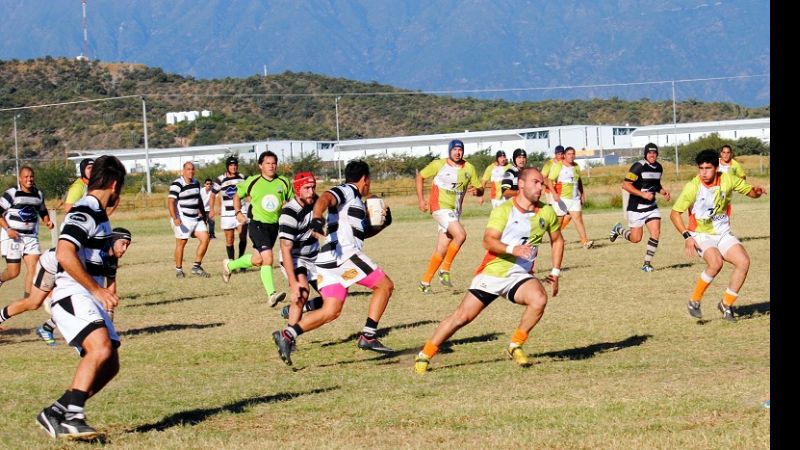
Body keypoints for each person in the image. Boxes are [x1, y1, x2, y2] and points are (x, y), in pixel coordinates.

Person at [414, 167, 564, 374]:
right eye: (536, 182)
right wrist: (514, 249)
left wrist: (555, 272)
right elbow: (488, 241)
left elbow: (557, 240)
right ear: (521, 184)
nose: (541, 186)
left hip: (519, 276)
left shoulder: (546, 212)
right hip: (492, 273)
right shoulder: (504, 210)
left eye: (542, 183)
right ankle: (425, 355)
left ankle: (515, 345)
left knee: (538, 299)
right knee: (462, 317)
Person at [36, 155, 127, 439]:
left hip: (88, 296)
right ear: (114, 184)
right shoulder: (84, 210)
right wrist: (97, 289)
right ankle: (74, 417)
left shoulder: (99, 215)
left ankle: (58, 411)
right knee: (99, 349)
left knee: (110, 363)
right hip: (73, 294)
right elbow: (64, 252)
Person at [271, 160, 395, 366]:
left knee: (331, 310)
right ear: (365, 179)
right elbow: (327, 197)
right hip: (344, 255)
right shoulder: (347, 190)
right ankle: (368, 336)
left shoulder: (353, 203)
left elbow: (362, 234)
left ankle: (287, 335)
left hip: (327, 261)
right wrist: (317, 217)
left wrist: (383, 225)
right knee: (385, 286)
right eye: (369, 181)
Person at [670, 149, 767, 322]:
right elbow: (675, 213)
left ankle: (726, 304)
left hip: (722, 233)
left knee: (743, 262)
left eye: (708, 168)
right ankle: (694, 301)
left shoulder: (727, 179)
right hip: (700, 234)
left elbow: (749, 191)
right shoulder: (693, 186)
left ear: (716, 168)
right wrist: (687, 237)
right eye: (701, 168)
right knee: (716, 263)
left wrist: (756, 192)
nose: (704, 172)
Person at [0, 228, 133, 346]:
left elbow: (110, 290)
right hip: (52, 262)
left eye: (128, 245)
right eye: (123, 244)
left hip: (70, 270)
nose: (125, 249)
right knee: (33, 302)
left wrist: (109, 319)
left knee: (83, 302)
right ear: (113, 241)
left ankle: (47, 327)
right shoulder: (95, 249)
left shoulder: (111, 260)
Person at [222, 151, 293, 306]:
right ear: (260, 165)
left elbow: (290, 201)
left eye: (274, 163)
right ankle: (271, 294)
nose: (271, 166)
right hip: (257, 224)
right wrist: (238, 212)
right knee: (268, 258)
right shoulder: (252, 181)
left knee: (258, 260)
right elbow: (236, 195)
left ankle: (230, 265)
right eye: (267, 163)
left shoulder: (284, 182)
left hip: (274, 226)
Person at [415, 139, 483, 292]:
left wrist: (477, 191)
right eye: (455, 150)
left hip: (454, 212)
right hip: (439, 207)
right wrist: (421, 200)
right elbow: (420, 177)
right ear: (449, 151)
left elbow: (479, 188)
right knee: (460, 235)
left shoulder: (469, 168)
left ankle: (424, 283)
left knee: (442, 248)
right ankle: (445, 269)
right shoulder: (438, 164)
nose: (457, 152)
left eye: (460, 150)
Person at [609, 143, 671, 272]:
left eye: (654, 153)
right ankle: (618, 229)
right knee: (636, 238)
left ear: (657, 154)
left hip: (651, 207)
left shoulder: (659, 167)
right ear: (645, 154)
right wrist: (642, 194)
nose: (652, 155)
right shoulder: (638, 166)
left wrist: (663, 191)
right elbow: (626, 185)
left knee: (656, 232)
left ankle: (646, 264)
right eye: (649, 153)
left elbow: (655, 184)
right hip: (636, 208)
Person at [276, 172, 324, 324]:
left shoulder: (316, 201)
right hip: (295, 258)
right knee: (302, 292)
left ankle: (296, 309)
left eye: (313, 187)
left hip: (315, 257)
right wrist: (293, 283)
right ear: (297, 189)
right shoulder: (289, 212)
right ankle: (288, 337)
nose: (311, 192)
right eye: (307, 188)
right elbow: (285, 249)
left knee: (333, 298)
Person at [0, 166, 55, 296]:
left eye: (31, 176)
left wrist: (47, 221)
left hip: (31, 237)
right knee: (14, 272)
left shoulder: (38, 194)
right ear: (20, 178)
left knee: (34, 269)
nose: (29, 179)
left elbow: (42, 210)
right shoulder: (11, 193)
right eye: (26, 177)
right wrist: (8, 229)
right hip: (13, 236)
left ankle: (28, 299)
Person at [168, 161, 211, 278]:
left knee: (205, 238)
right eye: (188, 169)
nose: (190, 171)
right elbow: (170, 202)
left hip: (195, 218)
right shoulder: (177, 184)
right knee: (182, 243)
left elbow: (199, 200)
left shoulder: (196, 183)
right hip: (182, 218)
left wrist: (203, 214)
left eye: (192, 169)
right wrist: (175, 218)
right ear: (183, 171)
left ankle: (196, 267)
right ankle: (178, 270)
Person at [545, 146, 594, 249]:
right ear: (565, 155)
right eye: (569, 154)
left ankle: (585, 242)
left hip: (574, 199)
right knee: (558, 222)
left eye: (573, 154)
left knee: (578, 219)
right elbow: (549, 180)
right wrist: (554, 194)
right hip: (562, 198)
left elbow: (578, 180)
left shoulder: (576, 166)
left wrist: (582, 194)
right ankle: (554, 242)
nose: (571, 156)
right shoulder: (558, 166)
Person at [212, 156, 249, 260]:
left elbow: (250, 191)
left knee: (242, 237)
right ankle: (232, 263)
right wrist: (212, 209)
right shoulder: (220, 179)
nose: (233, 167)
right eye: (231, 165)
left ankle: (241, 260)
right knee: (230, 239)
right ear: (227, 167)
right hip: (227, 213)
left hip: (241, 211)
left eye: (235, 165)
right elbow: (213, 194)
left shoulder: (242, 177)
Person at [540, 145, 571, 230]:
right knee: (558, 214)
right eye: (558, 154)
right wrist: (551, 186)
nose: (560, 156)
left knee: (568, 215)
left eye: (562, 154)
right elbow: (542, 177)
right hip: (551, 192)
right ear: (555, 154)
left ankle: (557, 234)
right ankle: (555, 234)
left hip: (562, 191)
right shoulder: (549, 163)